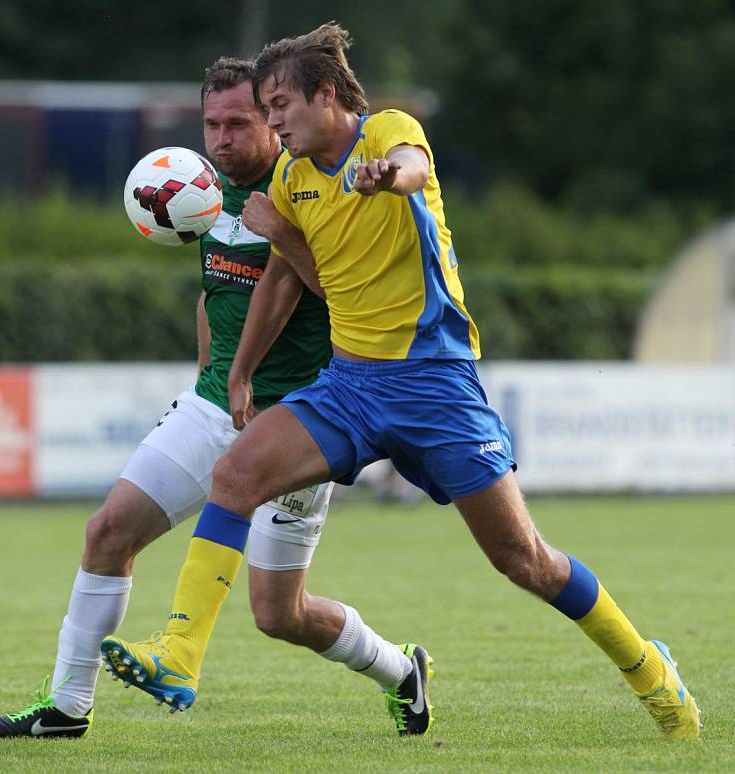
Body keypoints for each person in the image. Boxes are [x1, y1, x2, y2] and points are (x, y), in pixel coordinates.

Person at [103, 24, 701, 742]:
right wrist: (238, 371)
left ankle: (649, 669)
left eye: (280, 104)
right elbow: (286, 280)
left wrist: (387, 175)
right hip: (348, 386)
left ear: (326, 95)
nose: (273, 121)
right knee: (235, 476)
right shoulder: (292, 179)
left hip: (436, 387)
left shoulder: (386, 130)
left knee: (525, 561)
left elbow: (412, 165)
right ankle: (179, 655)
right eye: (265, 107)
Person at [0, 57, 414, 739]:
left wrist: (285, 235)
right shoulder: (199, 190)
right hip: (216, 403)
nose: (222, 138)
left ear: (273, 120)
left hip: (304, 420)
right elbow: (214, 294)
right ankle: (68, 706)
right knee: (106, 532)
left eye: (238, 122)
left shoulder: (304, 187)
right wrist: (209, 382)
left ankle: (401, 670)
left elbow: (345, 295)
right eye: (211, 124)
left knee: (280, 615)